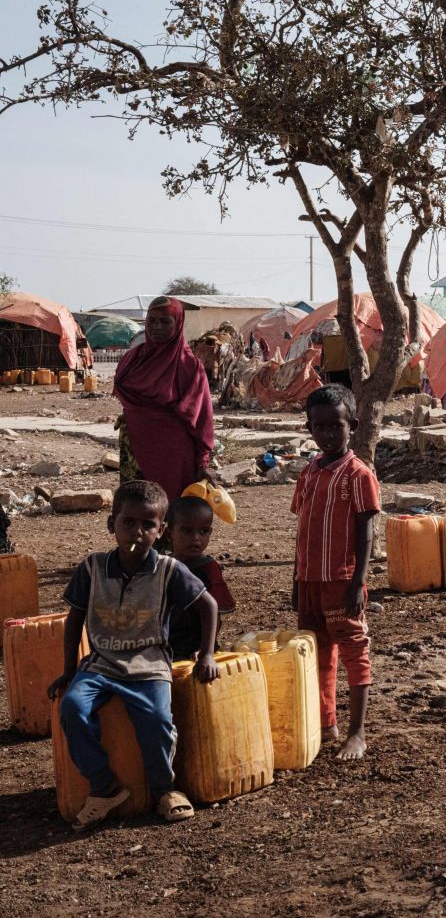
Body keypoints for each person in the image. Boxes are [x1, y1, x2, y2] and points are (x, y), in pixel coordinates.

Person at [48, 480, 219, 831]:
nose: (137, 532)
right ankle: (104, 786)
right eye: (128, 523)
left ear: (162, 531)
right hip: (101, 664)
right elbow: (75, 617)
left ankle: (164, 790)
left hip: (149, 663)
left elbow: (209, 605)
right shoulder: (92, 568)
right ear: (113, 524)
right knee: (72, 708)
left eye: (148, 525)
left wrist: (207, 654)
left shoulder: (168, 570)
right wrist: (69, 670)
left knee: (156, 719)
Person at [291, 384, 379, 760]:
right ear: (309, 428)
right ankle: (326, 725)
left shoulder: (358, 475)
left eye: (335, 426)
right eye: (319, 427)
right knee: (316, 651)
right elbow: (303, 529)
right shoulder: (309, 472)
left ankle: (357, 733)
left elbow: (366, 531)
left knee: (353, 650)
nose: (327, 434)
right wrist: (296, 579)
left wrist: (359, 581)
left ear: (352, 426)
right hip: (309, 579)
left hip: (341, 580)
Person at [113, 297, 215, 502]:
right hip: (134, 447)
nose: (157, 327)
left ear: (178, 324)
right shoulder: (131, 360)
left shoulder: (189, 366)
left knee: (172, 510)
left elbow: (202, 419)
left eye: (165, 321)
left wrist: (203, 463)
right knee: (136, 509)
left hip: (173, 454)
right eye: (152, 321)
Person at [167, 496, 237, 659]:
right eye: (186, 530)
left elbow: (215, 613)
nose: (196, 538)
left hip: (195, 649)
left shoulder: (208, 569)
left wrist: (207, 650)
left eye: (203, 531)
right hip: (165, 646)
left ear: (210, 532)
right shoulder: (164, 566)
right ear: (169, 533)